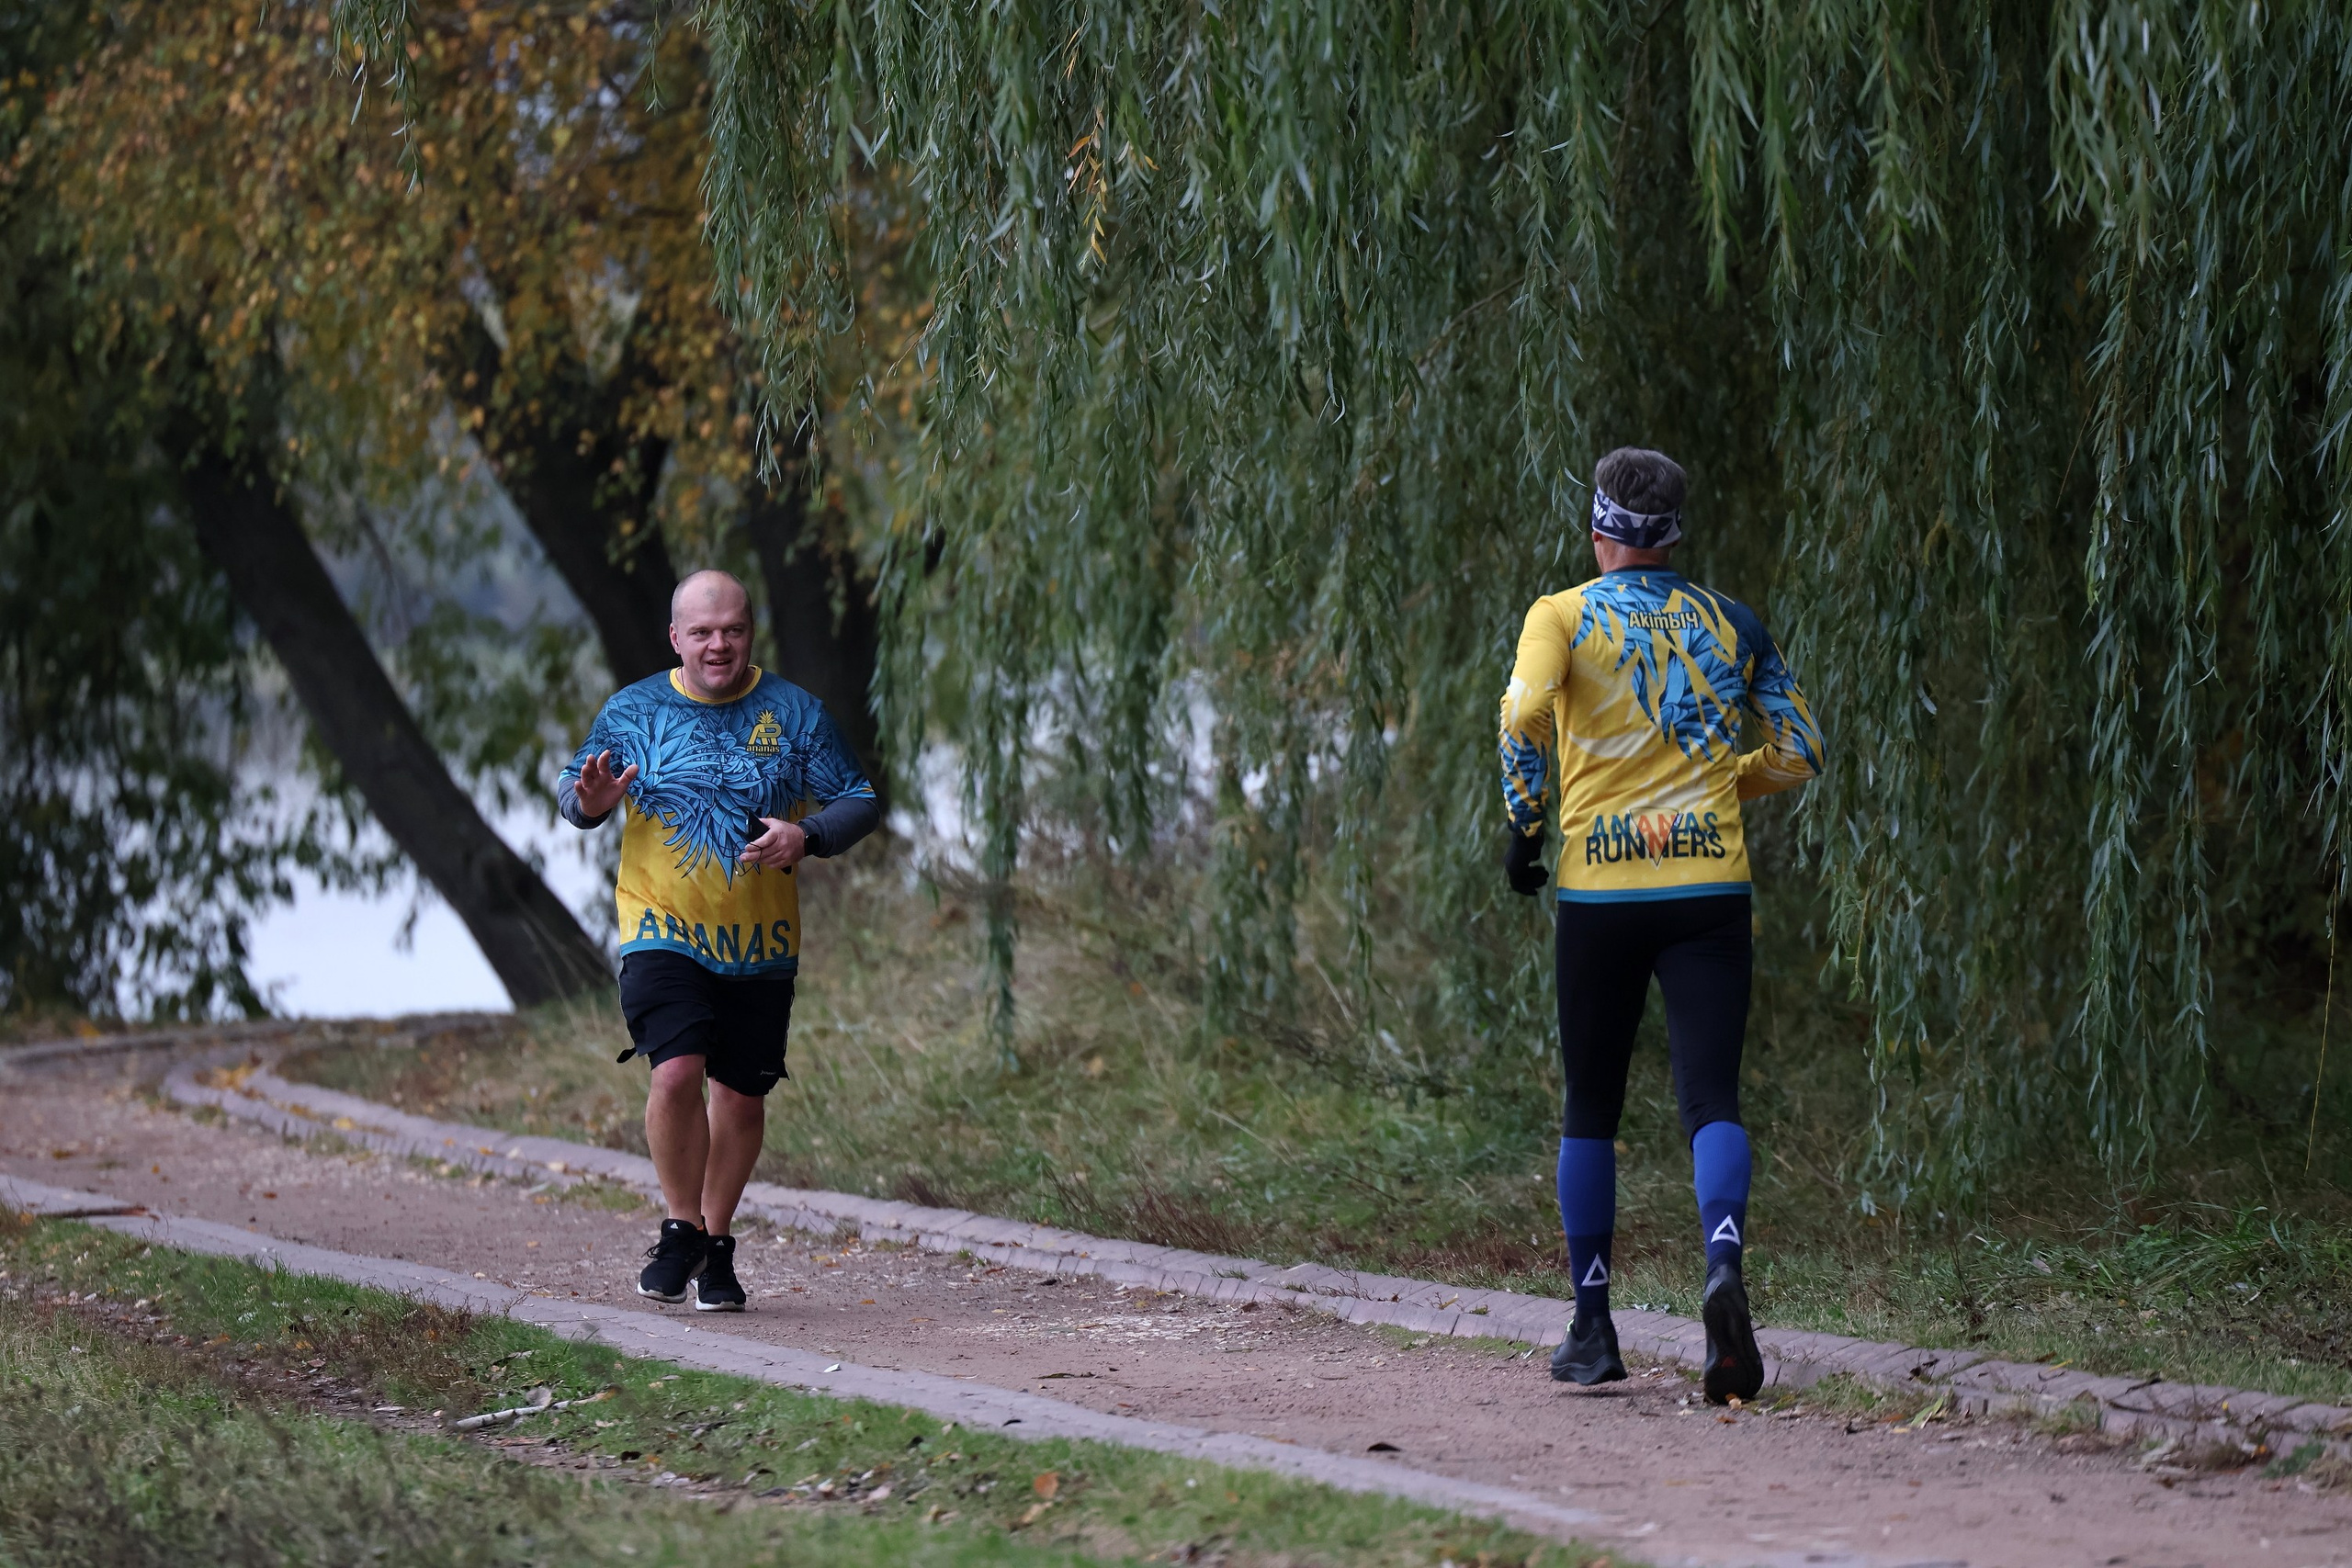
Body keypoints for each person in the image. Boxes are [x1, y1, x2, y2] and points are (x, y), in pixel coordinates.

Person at [1496, 447, 1823, 1402]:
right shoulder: (1732, 620)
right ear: (1676, 536)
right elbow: (1801, 750)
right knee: (1709, 1099)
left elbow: (1523, 714)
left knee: (1590, 1109)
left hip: (1599, 894)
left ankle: (1592, 1326)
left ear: (1600, 535)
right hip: (1708, 890)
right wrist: (1726, 781)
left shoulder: (1559, 615)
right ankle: (1722, 1264)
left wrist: (1524, 829)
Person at [560, 570, 879, 1312]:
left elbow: (859, 799)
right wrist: (593, 803)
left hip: (759, 939)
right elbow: (576, 793)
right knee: (675, 1072)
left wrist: (808, 833)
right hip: (660, 926)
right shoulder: (633, 710)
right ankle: (680, 1226)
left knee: (738, 1096)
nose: (718, 644)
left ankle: (716, 1238)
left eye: (731, 630)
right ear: (676, 638)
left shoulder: (794, 713)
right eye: (702, 632)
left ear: (749, 633)